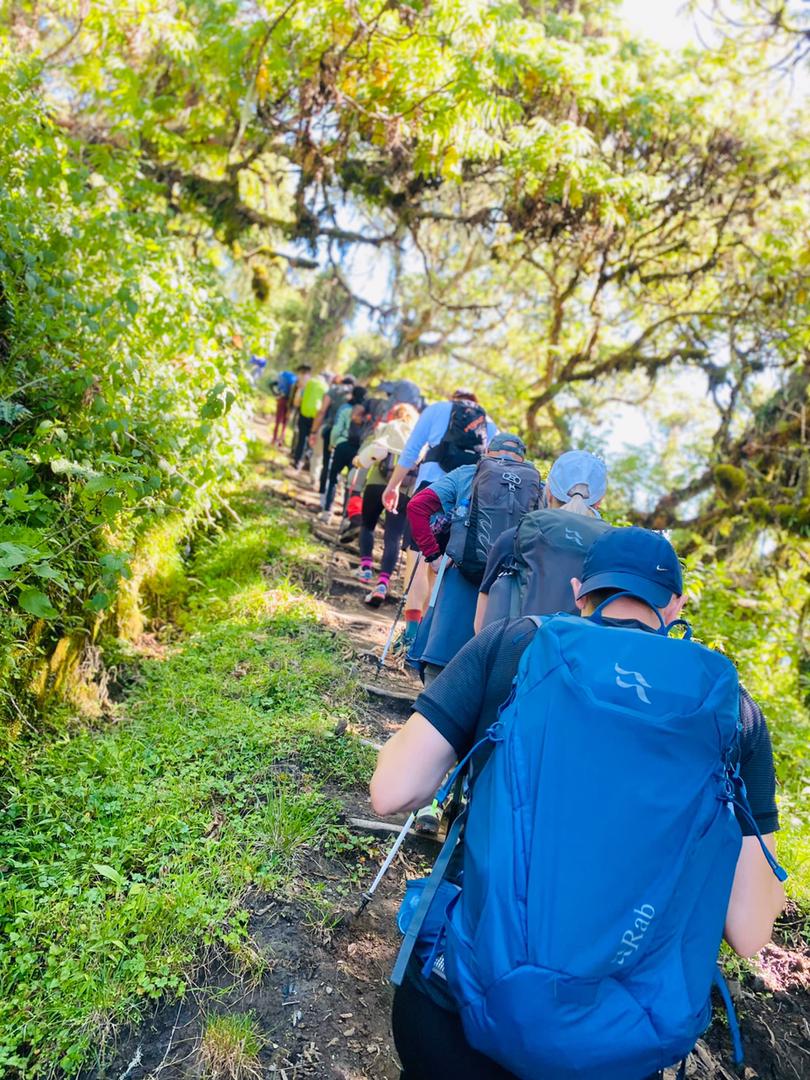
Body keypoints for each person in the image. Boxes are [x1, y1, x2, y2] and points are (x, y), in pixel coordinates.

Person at [370, 527, 785, 1080]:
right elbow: (751, 930)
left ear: (578, 592)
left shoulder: (515, 644)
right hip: (617, 1040)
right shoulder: (734, 713)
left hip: (461, 1004)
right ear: (678, 605)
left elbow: (393, 791)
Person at [407, 434, 539, 687]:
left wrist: (433, 555)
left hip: (460, 577)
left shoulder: (468, 473)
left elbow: (417, 507)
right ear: (523, 459)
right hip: (507, 591)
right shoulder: (535, 485)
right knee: (487, 671)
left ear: (488, 452)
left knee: (439, 663)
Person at [382, 391, 498, 654]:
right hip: (465, 501)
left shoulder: (437, 410)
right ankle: (429, 636)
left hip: (430, 491)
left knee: (419, 562)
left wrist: (394, 485)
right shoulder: (488, 423)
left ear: (454, 398)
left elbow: (413, 449)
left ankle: (411, 635)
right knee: (442, 568)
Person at [475, 449, 610, 632]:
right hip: (578, 656)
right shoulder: (609, 547)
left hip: (517, 652)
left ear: (548, 492)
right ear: (599, 501)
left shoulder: (516, 535)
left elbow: (481, 624)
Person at [354, 402, 420, 605]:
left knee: (368, 525)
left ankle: (365, 568)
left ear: (395, 414)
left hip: (376, 484)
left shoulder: (386, 427)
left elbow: (371, 453)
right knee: (393, 537)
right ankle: (382, 583)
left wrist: (358, 464)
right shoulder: (419, 435)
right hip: (403, 491)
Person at [319, 385, 369, 522]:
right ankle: (346, 517)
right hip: (358, 451)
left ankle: (327, 512)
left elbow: (336, 429)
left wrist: (332, 443)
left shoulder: (345, 409)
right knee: (351, 484)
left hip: (342, 445)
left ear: (352, 394)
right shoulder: (366, 413)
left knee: (333, 478)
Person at [310, 374, 356, 500]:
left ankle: (321, 490)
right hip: (348, 437)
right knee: (339, 466)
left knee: (324, 460)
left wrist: (313, 431)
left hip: (329, 428)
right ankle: (334, 494)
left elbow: (322, 411)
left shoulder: (334, 390)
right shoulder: (355, 395)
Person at [292, 365, 327, 469]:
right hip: (315, 416)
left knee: (302, 438)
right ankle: (307, 460)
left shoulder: (308, 384)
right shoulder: (325, 387)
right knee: (312, 439)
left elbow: (299, 399)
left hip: (304, 413)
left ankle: (297, 461)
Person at [270, 369, 297, 447]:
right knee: (285, 423)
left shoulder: (281, 377)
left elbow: (271, 384)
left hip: (281, 399)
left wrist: (276, 394)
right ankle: (281, 440)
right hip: (289, 403)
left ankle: (274, 439)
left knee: (277, 421)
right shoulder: (294, 381)